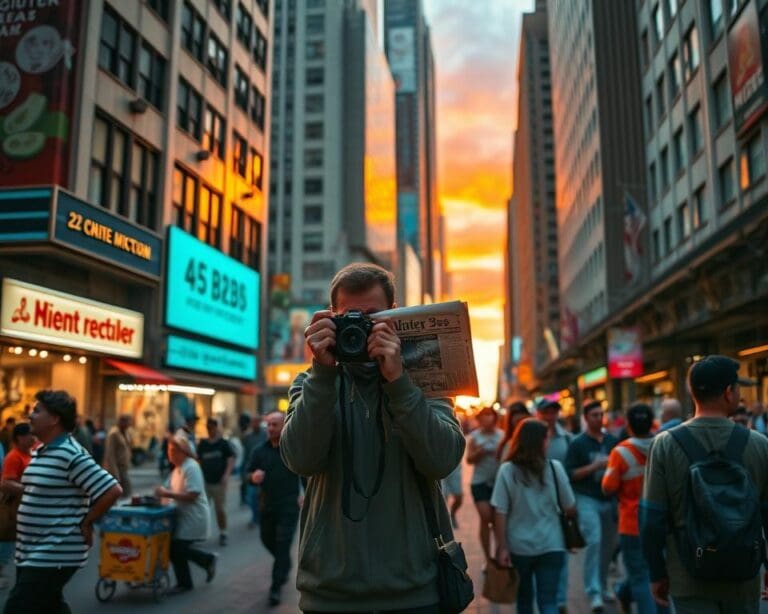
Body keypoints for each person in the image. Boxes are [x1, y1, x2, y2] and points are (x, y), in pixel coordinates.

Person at [280, 262, 465, 612]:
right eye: (350, 316)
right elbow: (299, 459)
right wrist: (323, 374)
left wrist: (399, 382)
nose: (360, 328)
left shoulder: (425, 381)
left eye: (372, 316)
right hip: (330, 594)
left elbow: (442, 460)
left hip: (415, 592)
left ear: (395, 316)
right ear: (330, 318)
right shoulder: (311, 383)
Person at [641, 355, 768, 613]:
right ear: (729, 392)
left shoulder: (664, 445)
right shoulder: (759, 444)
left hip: (688, 574)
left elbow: (651, 519)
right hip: (743, 574)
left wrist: (656, 573)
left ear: (691, 392)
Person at [4, 390, 122, 614]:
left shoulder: (71, 454)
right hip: (31, 550)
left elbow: (112, 490)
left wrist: (87, 522)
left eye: (37, 411)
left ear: (55, 418)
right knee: (49, 607)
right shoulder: (40, 451)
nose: (30, 416)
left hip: (53, 552)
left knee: (17, 608)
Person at [492, 418, 576, 614]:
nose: (548, 443)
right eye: (546, 439)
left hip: (519, 547)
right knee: (549, 602)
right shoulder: (555, 468)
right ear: (540, 442)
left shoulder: (507, 471)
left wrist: (502, 547)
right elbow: (570, 506)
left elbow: (500, 512)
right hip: (552, 544)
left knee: (524, 602)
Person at [602, 403, 662, 614]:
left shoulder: (620, 453)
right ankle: (623, 592)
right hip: (661, 523)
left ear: (627, 425)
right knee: (660, 573)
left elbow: (608, 486)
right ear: (652, 423)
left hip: (631, 524)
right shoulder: (663, 446)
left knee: (639, 576)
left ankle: (624, 593)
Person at [564, 399, 619, 612]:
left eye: (600, 414)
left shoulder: (612, 441)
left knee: (608, 546)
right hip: (587, 498)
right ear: (586, 418)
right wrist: (594, 466)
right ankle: (593, 591)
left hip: (609, 499)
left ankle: (604, 586)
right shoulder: (578, 444)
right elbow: (570, 474)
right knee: (594, 542)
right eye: (594, 415)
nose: (598, 418)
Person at [248, 412, 303, 606]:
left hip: (289, 505)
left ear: (284, 425)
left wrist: (305, 493)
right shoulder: (259, 451)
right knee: (266, 538)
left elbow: (305, 472)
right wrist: (252, 477)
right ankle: (285, 563)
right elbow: (248, 472)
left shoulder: (292, 449)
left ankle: (275, 588)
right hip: (267, 504)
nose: (270, 428)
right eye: (268, 425)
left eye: (274, 424)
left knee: (282, 544)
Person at [155, 434, 216, 593]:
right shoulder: (177, 469)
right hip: (181, 516)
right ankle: (202, 565)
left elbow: (192, 494)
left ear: (183, 451)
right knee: (176, 549)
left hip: (194, 516)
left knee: (177, 548)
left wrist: (167, 495)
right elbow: (166, 489)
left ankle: (192, 576)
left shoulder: (191, 467)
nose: (170, 454)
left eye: (174, 450)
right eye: (169, 450)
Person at [536, 398, 574, 611]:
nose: (550, 417)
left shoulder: (568, 440)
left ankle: (560, 599)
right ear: (539, 414)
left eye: (553, 412)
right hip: (533, 508)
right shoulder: (529, 440)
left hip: (559, 508)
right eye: (546, 412)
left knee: (560, 556)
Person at [466, 406, 504, 565]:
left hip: (498, 483)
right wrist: (479, 453)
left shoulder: (502, 435)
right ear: (479, 419)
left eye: (490, 415)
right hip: (479, 482)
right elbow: (469, 459)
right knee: (486, 517)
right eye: (484, 415)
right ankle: (488, 559)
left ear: (495, 418)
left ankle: (499, 555)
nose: (487, 418)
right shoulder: (475, 437)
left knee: (497, 521)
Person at [0, 423, 36, 589]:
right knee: (8, 544)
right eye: (29, 434)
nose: (32, 437)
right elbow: (6, 483)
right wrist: (29, 490)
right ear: (19, 438)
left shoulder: (30, 454)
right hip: (14, 509)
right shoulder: (14, 457)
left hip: (26, 509)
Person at [197, 417, 235, 546]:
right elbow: (198, 460)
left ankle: (223, 532)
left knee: (220, 509)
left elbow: (230, 459)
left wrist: (226, 475)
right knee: (203, 510)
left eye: (212, 427)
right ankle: (201, 534)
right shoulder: (203, 444)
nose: (210, 430)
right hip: (205, 482)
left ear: (216, 428)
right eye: (208, 427)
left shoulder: (223, 443)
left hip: (219, 482)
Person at [242, 414, 267, 526]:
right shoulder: (247, 437)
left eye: (257, 422)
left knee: (263, 496)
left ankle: (261, 516)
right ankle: (255, 517)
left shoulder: (265, 434)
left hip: (264, 469)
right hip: (252, 469)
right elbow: (245, 454)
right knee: (251, 496)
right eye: (253, 422)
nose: (254, 424)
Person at [103, 414, 132, 496]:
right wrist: (115, 473)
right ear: (121, 422)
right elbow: (110, 454)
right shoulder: (113, 434)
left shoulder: (126, 432)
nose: (128, 424)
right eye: (127, 422)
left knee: (125, 492)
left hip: (124, 467)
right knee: (123, 491)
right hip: (117, 468)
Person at [441, 458, 463, 530]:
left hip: (454, 466)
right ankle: (443, 522)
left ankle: (452, 514)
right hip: (439, 466)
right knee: (443, 498)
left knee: (459, 498)